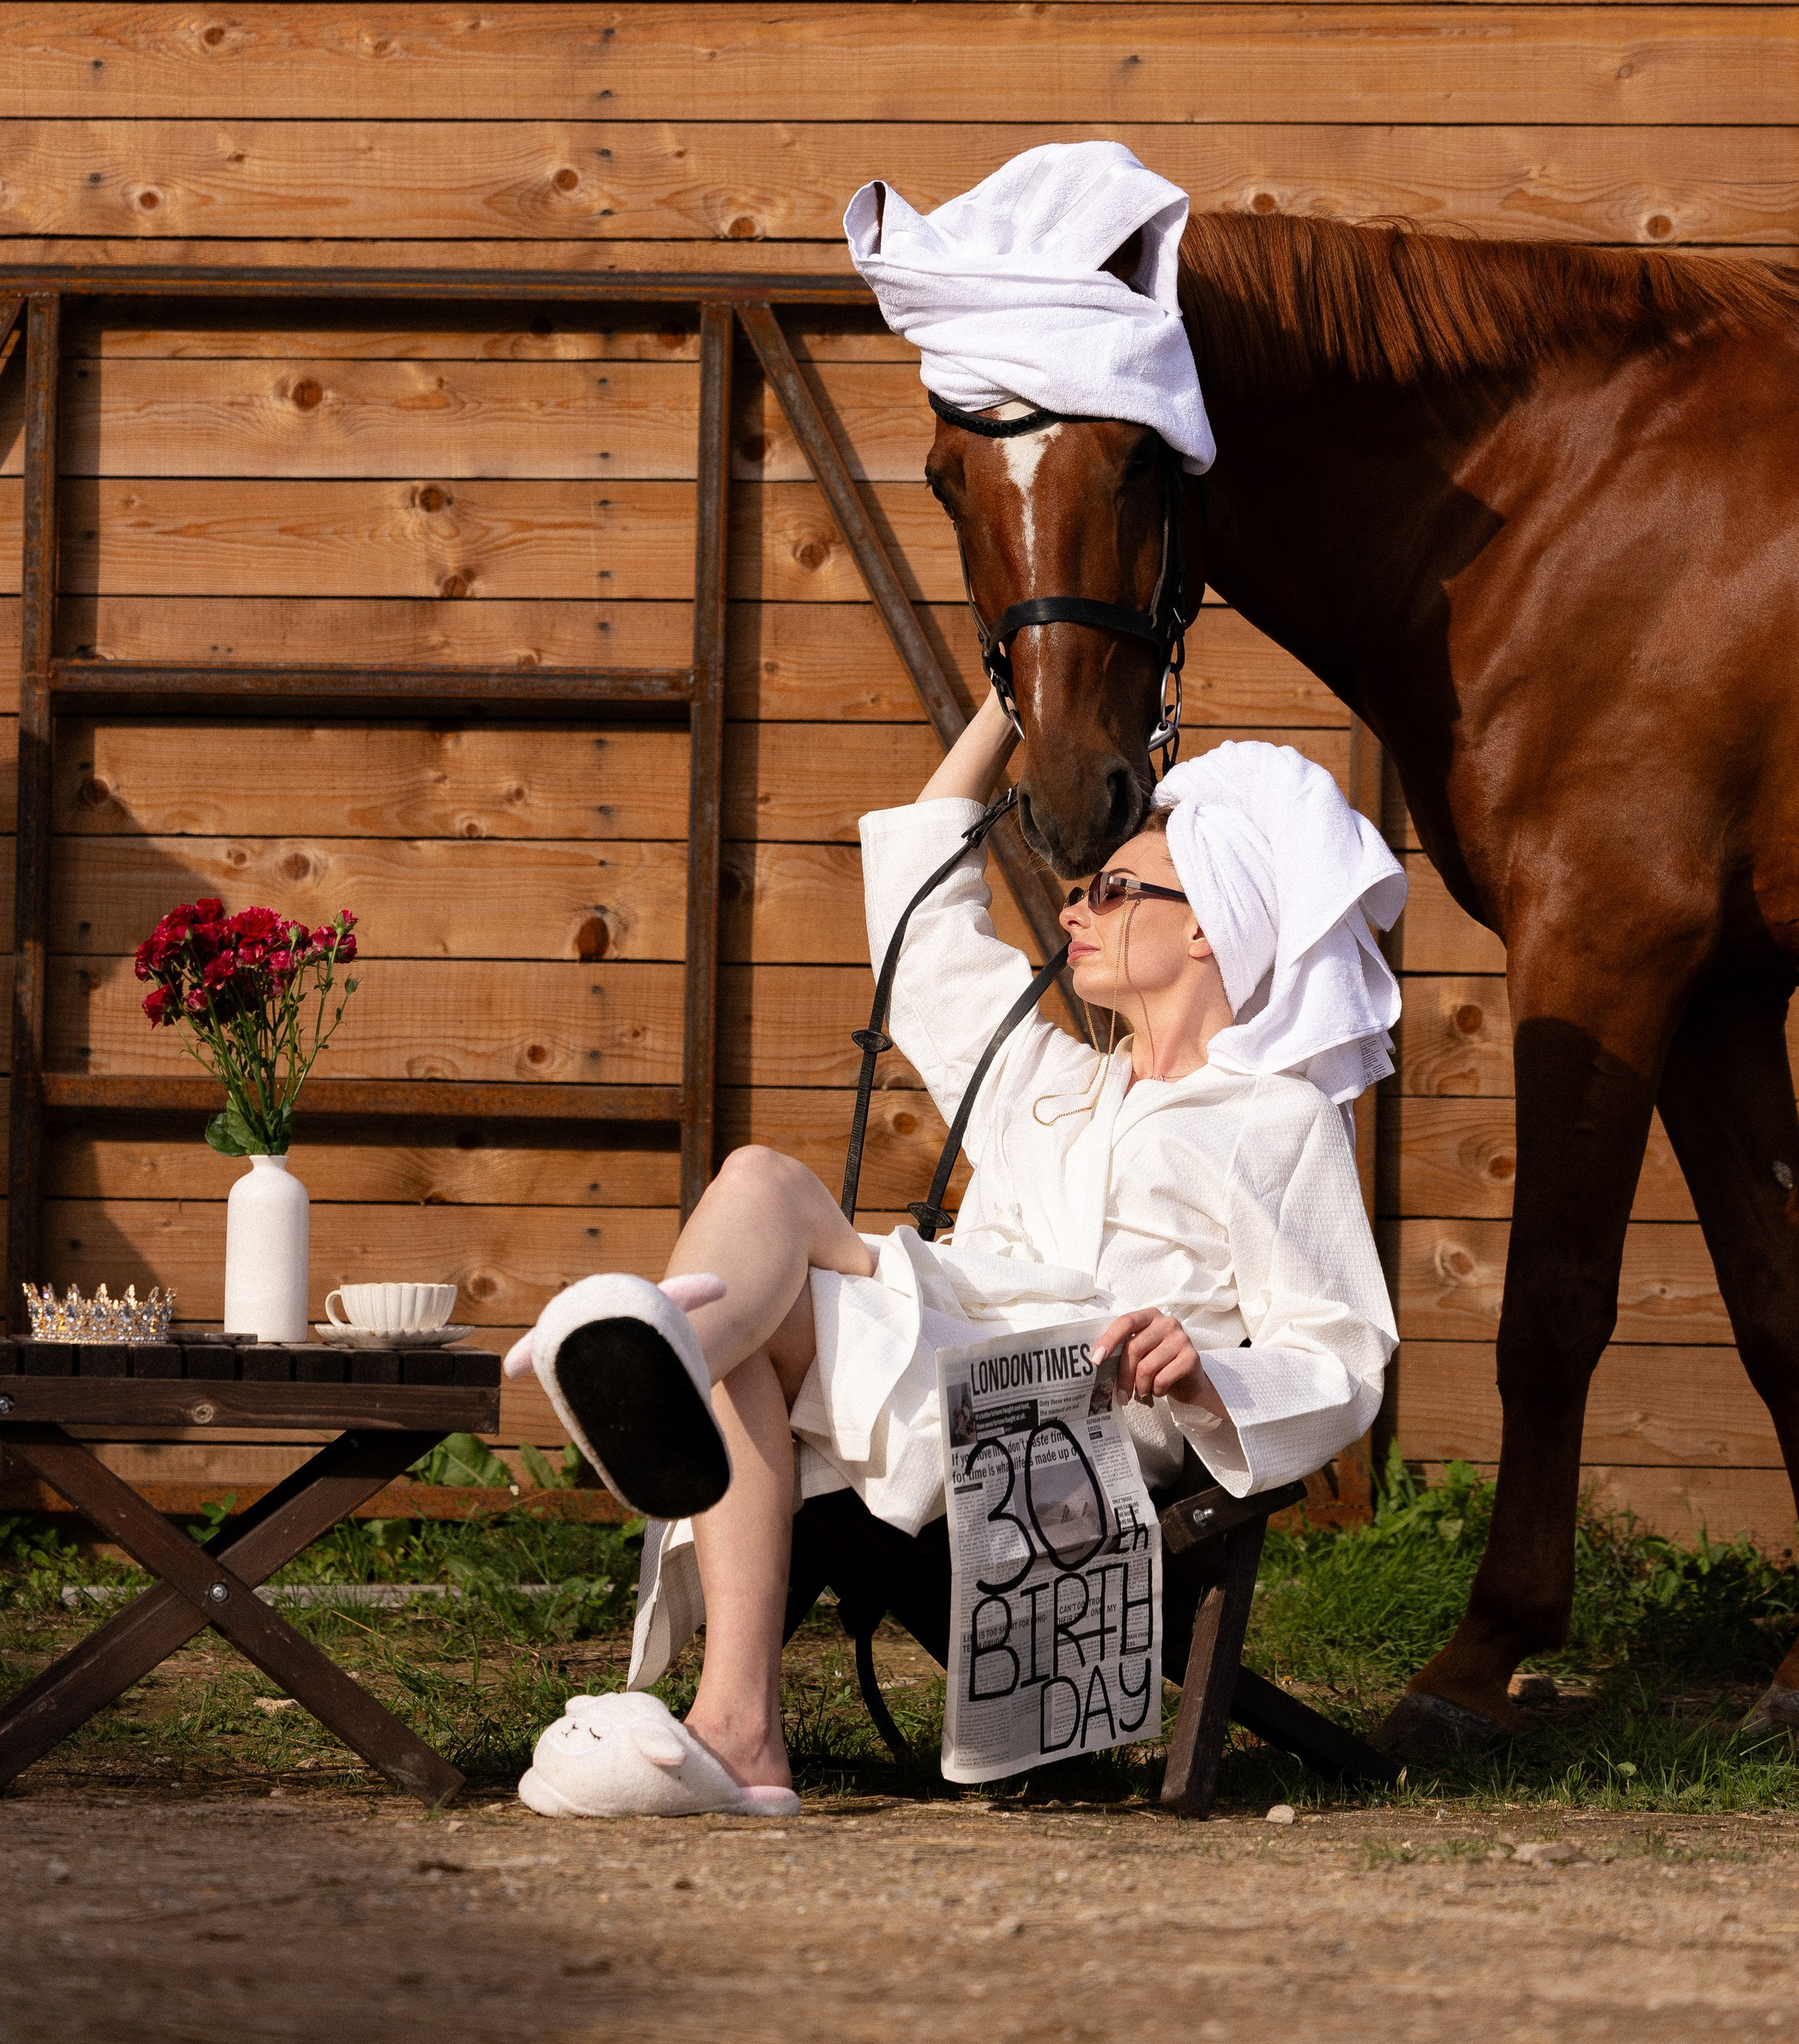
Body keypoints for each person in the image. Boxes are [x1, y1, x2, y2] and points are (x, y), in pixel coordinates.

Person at [509, 703, 1401, 1820]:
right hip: (955, 1343)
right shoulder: (1057, 1081)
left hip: (1074, 1415)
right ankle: (682, 1425)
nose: (1075, 908)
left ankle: (669, 1411)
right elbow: (926, 938)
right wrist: (1007, 707)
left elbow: (1341, 1348)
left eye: (1113, 890)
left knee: (768, 1270)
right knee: (759, 1184)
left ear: (1212, 923)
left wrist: (1210, 1372)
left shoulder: (1278, 1122)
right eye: (1080, 890)